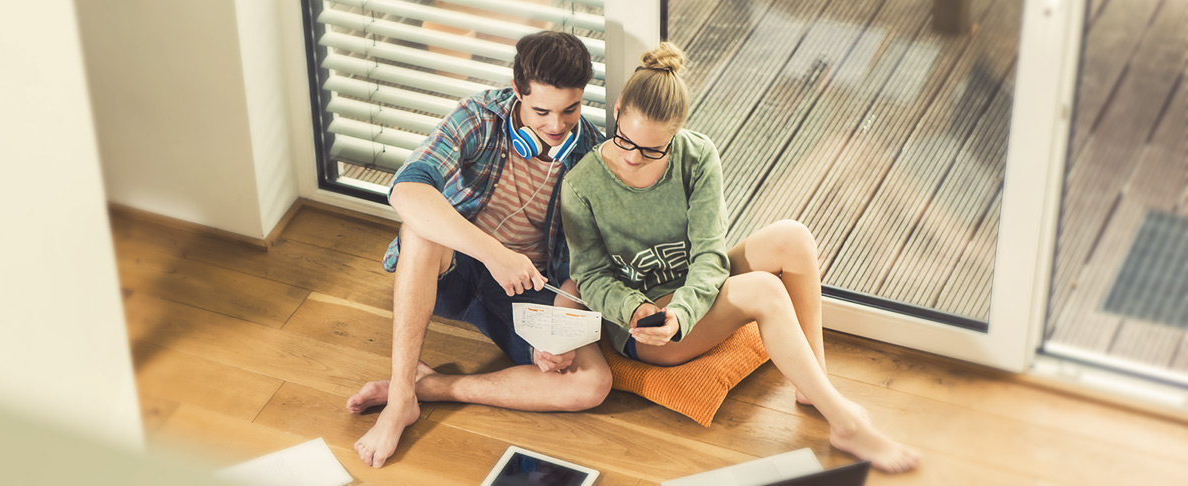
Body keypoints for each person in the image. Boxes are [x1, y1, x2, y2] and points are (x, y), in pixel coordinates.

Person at [559, 42, 921, 474]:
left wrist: (687, 310)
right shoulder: (581, 185)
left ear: (676, 135)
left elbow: (710, 255)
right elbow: (591, 277)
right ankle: (844, 425)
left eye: (653, 150)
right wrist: (641, 310)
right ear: (617, 110)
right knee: (765, 290)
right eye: (626, 141)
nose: (634, 157)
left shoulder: (697, 156)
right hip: (647, 323)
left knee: (794, 238)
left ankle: (816, 388)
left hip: (692, 290)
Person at [345, 31, 610, 469]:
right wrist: (493, 253)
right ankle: (399, 400)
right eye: (541, 110)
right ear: (516, 91)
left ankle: (422, 390)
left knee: (592, 384)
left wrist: (560, 331)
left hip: (529, 287)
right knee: (421, 228)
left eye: (570, 110)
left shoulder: (590, 155)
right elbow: (406, 190)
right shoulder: (479, 116)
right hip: (458, 268)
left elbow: (585, 261)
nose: (556, 126)